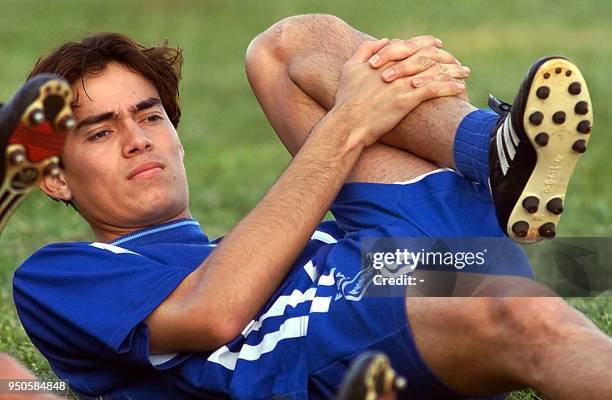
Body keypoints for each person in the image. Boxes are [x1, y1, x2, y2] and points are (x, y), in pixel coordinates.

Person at [4, 13, 606, 400]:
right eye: (101, 132)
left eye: (149, 115)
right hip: (316, 344)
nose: (138, 138)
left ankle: (492, 153)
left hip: (378, 265)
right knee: (521, 313)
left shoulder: (244, 247)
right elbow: (214, 314)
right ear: (55, 179)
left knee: (285, 47)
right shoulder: (58, 276)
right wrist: (349, 119)